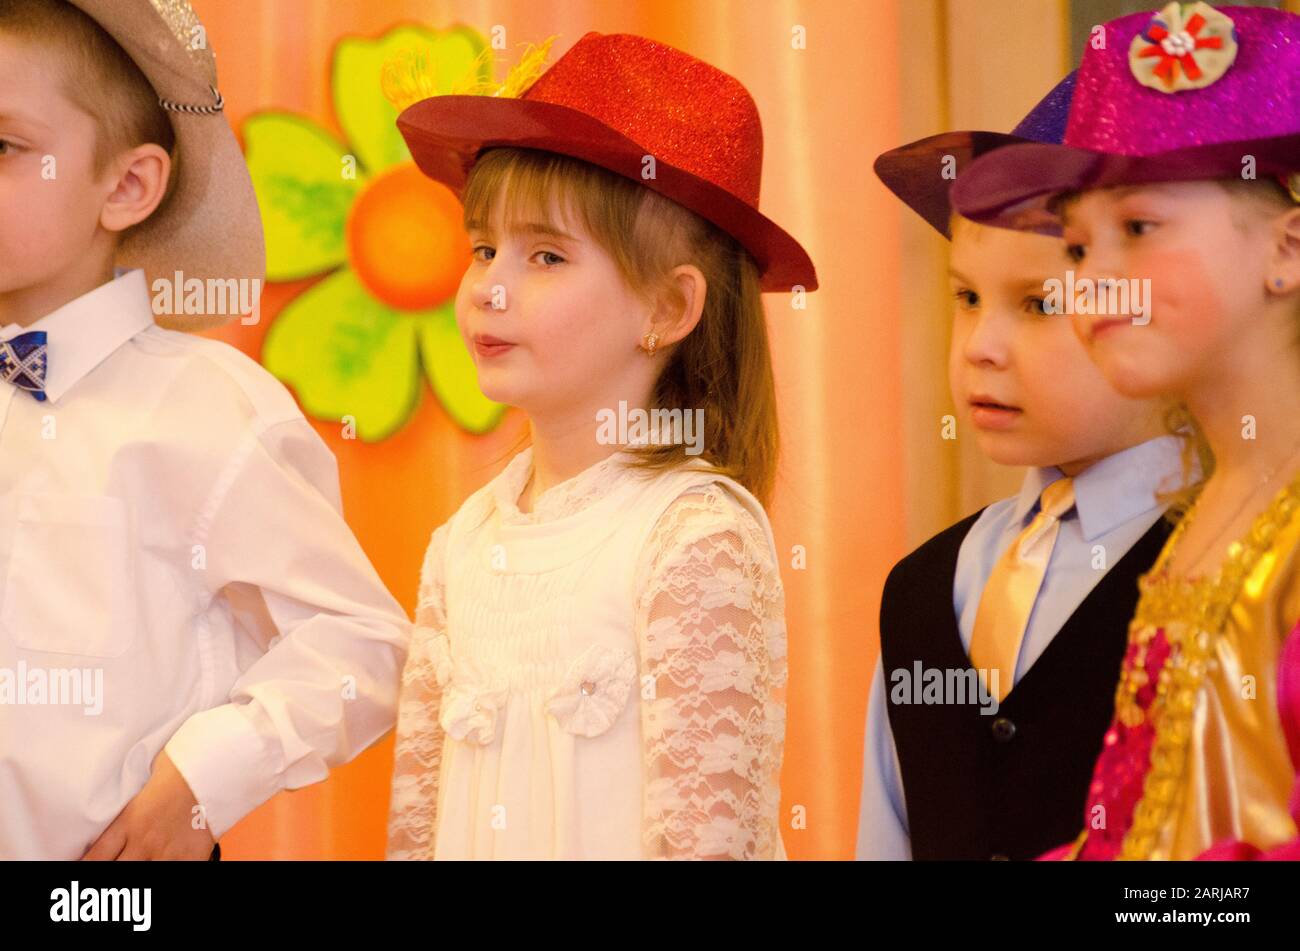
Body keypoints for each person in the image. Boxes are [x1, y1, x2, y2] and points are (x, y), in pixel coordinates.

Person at [382, 32, 814, 859]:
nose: (491, 286)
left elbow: (707, 844)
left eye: (545, 254)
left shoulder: (690, 534)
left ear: (668, 308)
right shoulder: (463, 544)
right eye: (483, 248)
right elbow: (416, 829)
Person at [0, 0, 411, 859]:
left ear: (127, 186)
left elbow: (363, 643)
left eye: (4, 148)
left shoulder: (206, 408)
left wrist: (199, 781)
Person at [953, 1, 1300, 859]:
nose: (1094, 281)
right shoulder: (1211, 502)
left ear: (1287, 251)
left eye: (1139, 228)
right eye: (1075, 250)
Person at [858, 72, 1191, 860]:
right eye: (966, 299)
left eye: (1038, 304)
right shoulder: (921, 588)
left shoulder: (1226, 563)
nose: (980, 347)